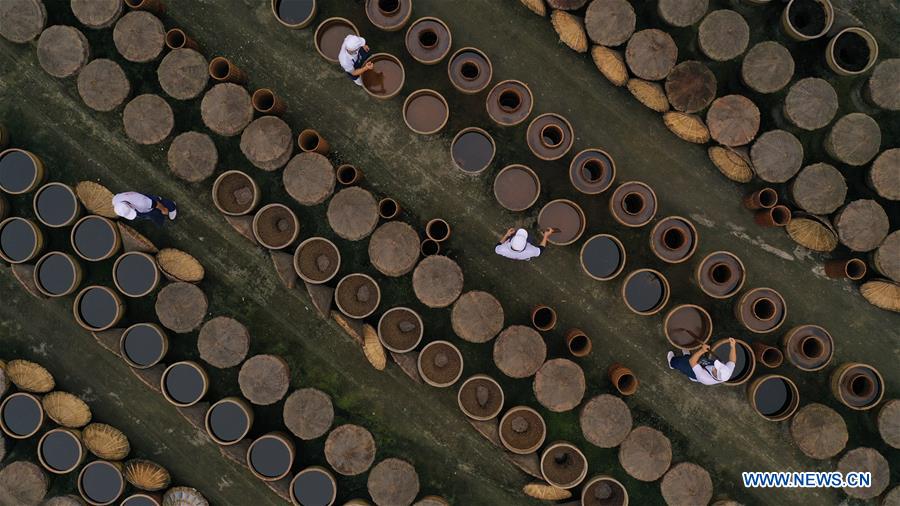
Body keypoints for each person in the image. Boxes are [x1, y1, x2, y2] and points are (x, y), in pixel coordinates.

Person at [666, 337, 736, 385]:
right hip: (703, 367)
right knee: (698, 359)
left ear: (716, 374)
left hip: (695, 371)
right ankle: (686, 356)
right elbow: (732, 361)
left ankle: (671, 363)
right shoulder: (727, 372)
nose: (716, 366)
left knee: (680, 363)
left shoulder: (704, 377)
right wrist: (733, 346)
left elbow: (692, 361)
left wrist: (702, 350)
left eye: (717, 368)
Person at [112, 191, 177, 226]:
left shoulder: (142, 203)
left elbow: (156, 204)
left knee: (156, 204)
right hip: (138, 198)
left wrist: (164, 209)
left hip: (144, 201)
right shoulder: (115, 200)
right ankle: (156, 198)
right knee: (149, 201)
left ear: (129, 205)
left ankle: (171, 206)